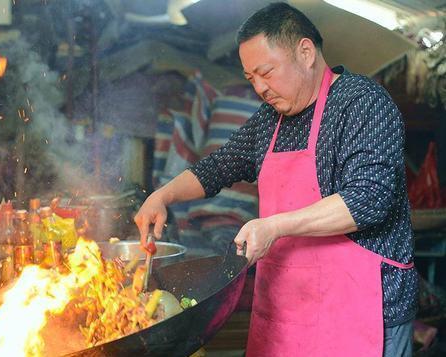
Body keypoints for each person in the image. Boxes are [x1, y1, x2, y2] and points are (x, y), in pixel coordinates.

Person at [134, 3, 417, 356]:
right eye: (251, 78)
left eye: (267, 72)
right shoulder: (271, 119)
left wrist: (273, 226)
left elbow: (368, 200)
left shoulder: (362, 104)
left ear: (305, 52)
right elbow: (219, 167)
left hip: (365, 313)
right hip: (288, 315)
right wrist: (162, 195)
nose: (260, 88)